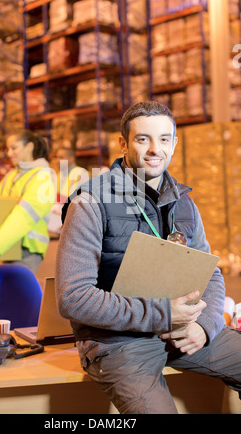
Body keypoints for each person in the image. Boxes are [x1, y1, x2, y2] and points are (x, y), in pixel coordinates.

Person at [55, 101, 241, 414]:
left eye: (164, 139)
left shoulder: (184, 205)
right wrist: (162, 314)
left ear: (174, 143)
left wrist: (205, 327)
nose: (156, 149)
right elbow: (73, 298)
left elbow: (211, 274)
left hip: (180, 332)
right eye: (143, 139)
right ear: (123, 143)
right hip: (116, 342)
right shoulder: (90, 203)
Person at [0, 130, 55, 274]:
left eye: (14, 148)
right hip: (10, 246)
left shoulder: (43, 177)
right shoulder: (12, 176)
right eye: (7, 149)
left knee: (16, 294)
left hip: (28, 249)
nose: (9, 153)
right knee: (8, 294)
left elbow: (24, 216)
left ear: (30, 147)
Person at [48, 146, 89, 235]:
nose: (57, 160)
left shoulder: (81, 173)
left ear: (71, 158)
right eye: (56, 157)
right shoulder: (59, 175)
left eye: (61, 157)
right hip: (60, 215)